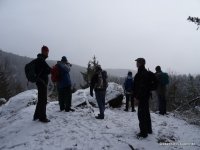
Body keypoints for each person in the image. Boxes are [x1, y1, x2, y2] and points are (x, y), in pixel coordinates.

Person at [133, 58, 152, 138]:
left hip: (142, 97)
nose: (136, 63)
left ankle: (143, 133)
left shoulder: (141, 73)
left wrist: (137, 97)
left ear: (141, 63)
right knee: (146, 113)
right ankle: (148, 129)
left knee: (141, 114)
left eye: (137, 62)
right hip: (146, 96)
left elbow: (141, 87)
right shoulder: (146, 72)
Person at [33, 46, 51, 123]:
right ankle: (42, 117)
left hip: (40, 82)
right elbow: (48, 70)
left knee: (40, 99)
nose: (47, 53)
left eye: (48, 51)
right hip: (42, 83)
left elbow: (43, 70)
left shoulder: (40, 59)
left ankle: (36, 115)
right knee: (43, 100)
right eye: (47, 51)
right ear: (43, 51)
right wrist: (51, 69)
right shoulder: (41, 60)